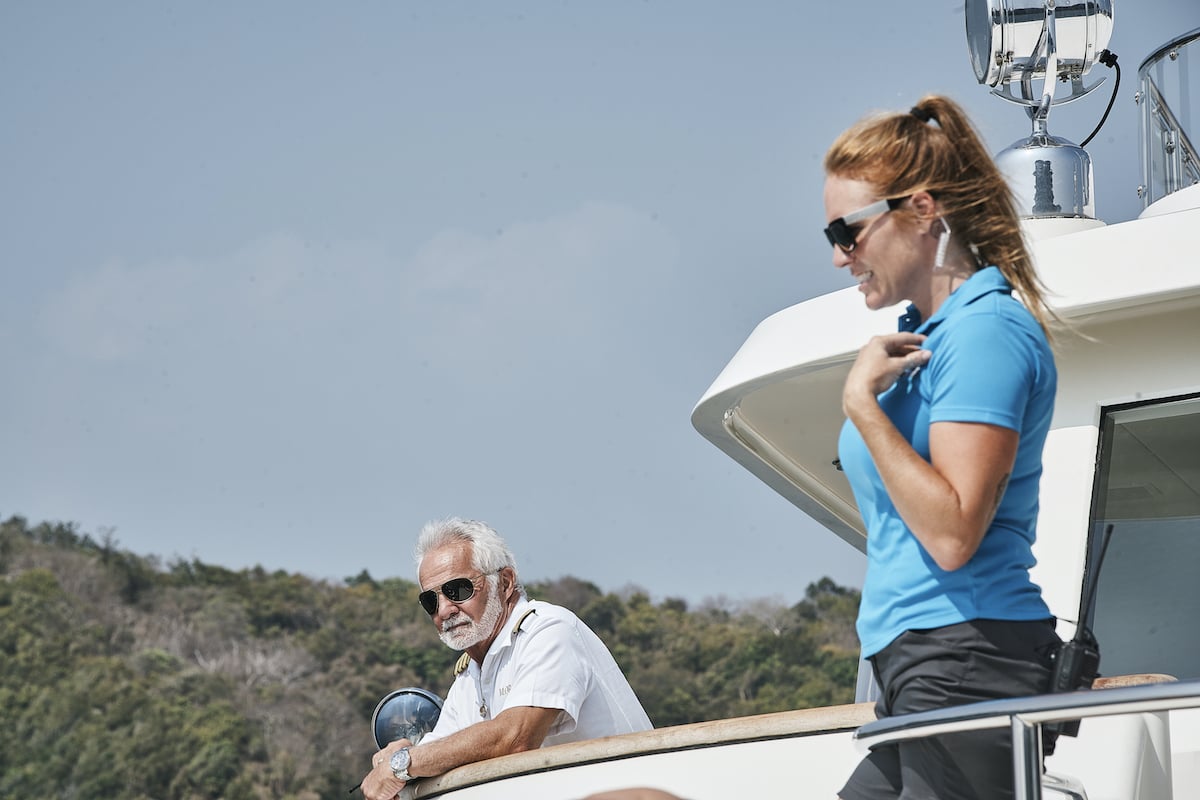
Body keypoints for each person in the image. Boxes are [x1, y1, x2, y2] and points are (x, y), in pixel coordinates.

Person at [825, 95, 1063, 800]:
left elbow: (955, 534)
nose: (839, 255)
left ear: (923, 211)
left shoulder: (984, 334)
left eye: (849, 230)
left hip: (968, 653)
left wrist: (861, 407)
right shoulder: (924, 338)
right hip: (920, 663)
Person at [360, 517, 652, 800]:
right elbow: (437, 752)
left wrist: (403, 763)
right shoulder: (468, 679)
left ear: (505, 582)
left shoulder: (549, 630)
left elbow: (515, 739)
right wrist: (400, 757)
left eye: (457, 590)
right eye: (431, 600)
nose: (445, 609)